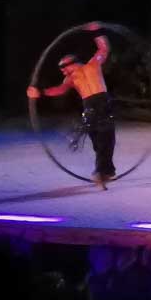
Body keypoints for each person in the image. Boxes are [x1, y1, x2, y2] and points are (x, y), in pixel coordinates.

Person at [27, 27, 116, 188]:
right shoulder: (71, 78)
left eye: (63, 67)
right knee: (98, 140)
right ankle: (105, 171)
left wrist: (96, 32)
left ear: (72, 63)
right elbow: (60, 90)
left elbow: (104, 49)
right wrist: (40, 92)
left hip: (102, 103)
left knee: (105, 137)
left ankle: (103, 171)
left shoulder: (92, 65)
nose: (63, 71)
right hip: (89, 106)